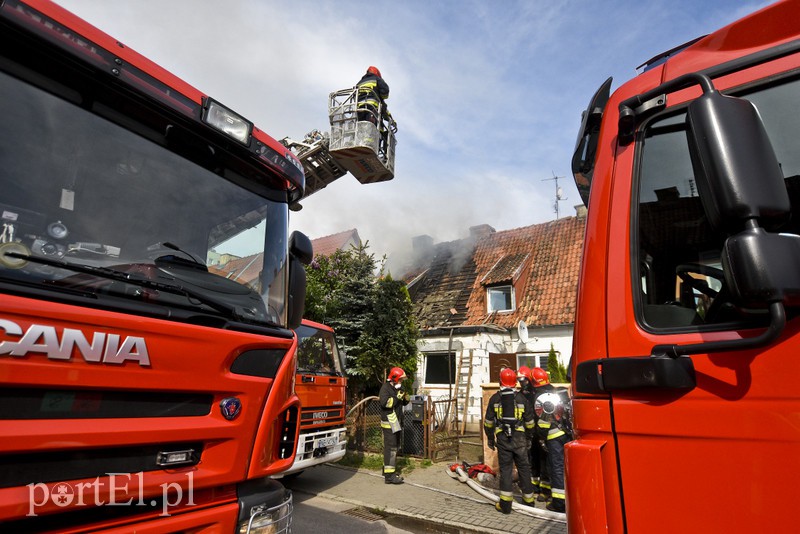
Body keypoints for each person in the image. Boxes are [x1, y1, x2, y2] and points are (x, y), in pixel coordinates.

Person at [483, 367, 537, 514]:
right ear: (515, 382)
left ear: (501, 381)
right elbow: (530, 422)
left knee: (506, 470)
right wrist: (529, 438)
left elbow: (488, 422)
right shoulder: (522, 399)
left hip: (503, 440)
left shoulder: (495, 398)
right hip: (520, 440)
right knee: (524, 469)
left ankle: (506, 505)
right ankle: (529, 501)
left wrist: (490, 438)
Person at [531, 367, 572, 513]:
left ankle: (559, 504)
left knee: (556, 469)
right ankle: (567, 498)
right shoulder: (555, 391)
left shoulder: (541, 398)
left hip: (553, 438)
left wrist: (540, 438)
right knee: (564, 467)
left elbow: (542, 423)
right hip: (565, 434)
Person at [379, 366, 410, 484]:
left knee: (394, 447)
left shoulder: (398, 388)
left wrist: (405, 397)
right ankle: (389, 477)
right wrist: (397, 397)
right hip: (388, 423)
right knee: (391, 448)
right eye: (400, 379)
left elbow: (404, 401)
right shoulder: (385, 388)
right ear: (395, 378)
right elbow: (386, 403)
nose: (401, 382)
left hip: (396, 422)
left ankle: (386, 470)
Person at [517, 366, 544, 498]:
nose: (523, 384)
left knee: (541, 458)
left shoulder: (537, 393)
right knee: (530, 459)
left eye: (525, 381)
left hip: (539, 431)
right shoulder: (520, 395)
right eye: (520, 381)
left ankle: (542, 486)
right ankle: (533, 486)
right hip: (527, 432)